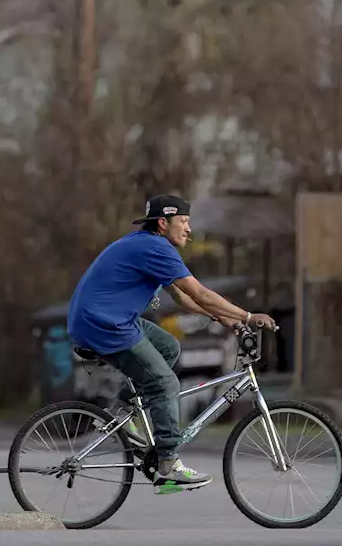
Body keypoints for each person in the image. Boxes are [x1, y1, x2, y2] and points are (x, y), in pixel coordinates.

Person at [66, 194, 277, 494]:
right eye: (185, 222)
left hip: (108, 318)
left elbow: (182, 298)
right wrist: (247, 315)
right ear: (163, 223)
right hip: (105, 324)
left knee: (168, 348)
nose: (189, 229)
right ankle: (167, 466)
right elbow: (200, 293)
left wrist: (225, 319)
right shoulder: (155, 248)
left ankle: (121, 412)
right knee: (165, 384)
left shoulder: (147, 245)